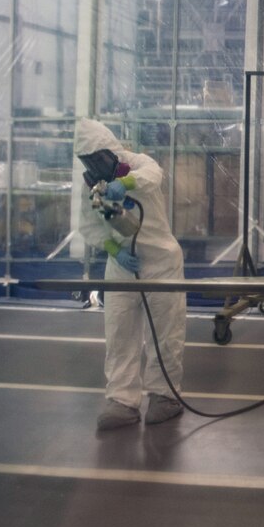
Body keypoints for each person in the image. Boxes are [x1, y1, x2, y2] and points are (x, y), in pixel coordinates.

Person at [74, 118, 187, 430]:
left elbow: (153, 176)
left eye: (99, 158)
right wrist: (113, 248)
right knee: (119, 333)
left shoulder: (138, 163)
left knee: (165, 334)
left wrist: (124, 184)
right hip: (122, 266)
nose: (94, 166)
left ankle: (165, 396)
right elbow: (88, 226)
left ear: (113, 152)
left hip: (161, 262)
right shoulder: (92, 188)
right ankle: (122, 400)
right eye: (88, 161)